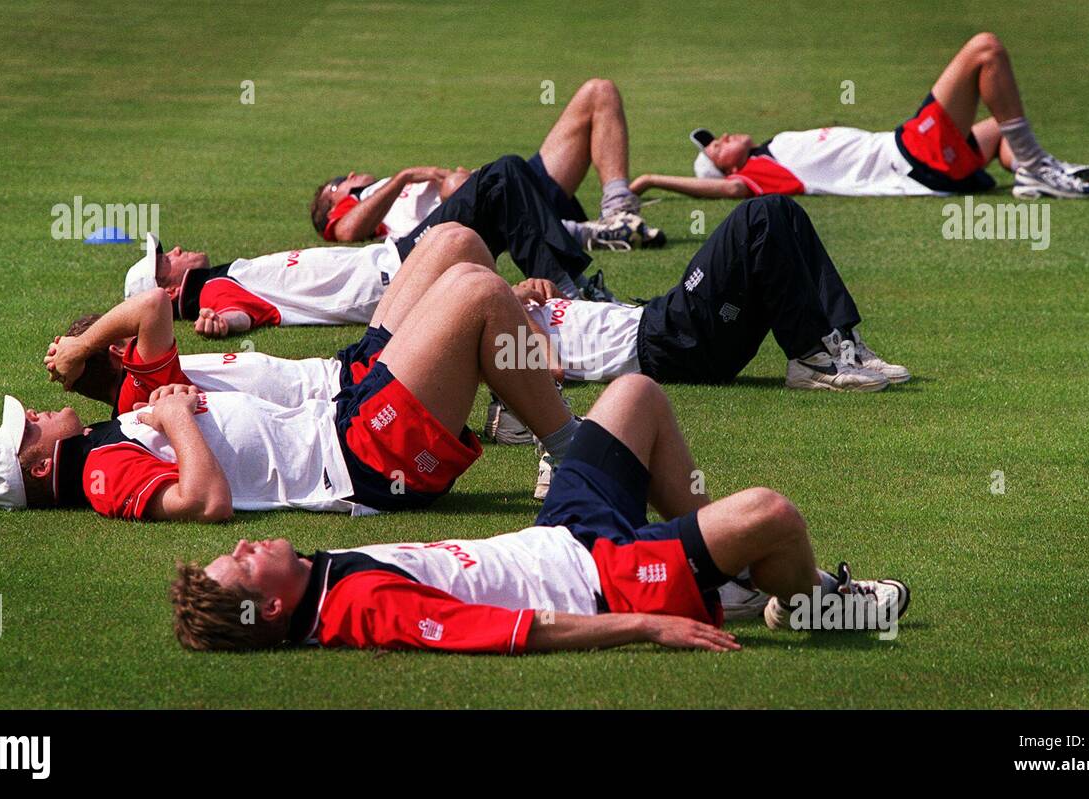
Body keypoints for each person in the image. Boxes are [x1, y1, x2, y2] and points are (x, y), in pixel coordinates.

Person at [169, 374, 910, 653]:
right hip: (605, 580)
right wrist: (648, 623)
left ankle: (745, 578)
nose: (243, 540)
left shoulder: (322, 579)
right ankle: (813, 601)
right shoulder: (361, 607)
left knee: (635, 395)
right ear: (267, 605)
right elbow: (511, 631)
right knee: (772, 511)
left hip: (560, 533)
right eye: (241, 559)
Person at [0, 232, 581, 519]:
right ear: (40, 466)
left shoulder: (113, 433)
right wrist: (177, 415)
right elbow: (205, 503)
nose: (30, 413)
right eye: (25, 431)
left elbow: (152, 307)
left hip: (345, 416)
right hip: (357, 459)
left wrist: (82, 345)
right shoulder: (102, 465)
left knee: (457, 244)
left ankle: (536, 415)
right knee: (474, 290)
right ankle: (573, 456)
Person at [485, 194, 906, 461]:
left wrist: (538, 295)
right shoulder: (506, 342)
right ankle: (811, 361)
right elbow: (551, 369)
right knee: (756, 216)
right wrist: (512, 305)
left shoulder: (513, 309)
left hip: (665, 325)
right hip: (665, 343)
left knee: (783, 212)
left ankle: (840, 342)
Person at [129, 156, 605, 343]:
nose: (176, 249)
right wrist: (219, 325)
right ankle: (570, 293)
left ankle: (570, 288)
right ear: (168, 291)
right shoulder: (212, 292)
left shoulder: (224, 275)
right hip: (395, 272)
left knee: (507, 181)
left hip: (395, 263)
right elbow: (241, 316)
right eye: (165, 258)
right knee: (500, 177)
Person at [52, 222, 491, 412]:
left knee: (455, 244)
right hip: (355, 390)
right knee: (463, 259)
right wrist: (82, 344)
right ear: (115, 350)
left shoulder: (146, 388)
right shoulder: (141, 391)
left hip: (346, 371)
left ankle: (512, 339)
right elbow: (153, 306)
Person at [630, 33, 1089, 201]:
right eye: (717, 147)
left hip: (922, 158)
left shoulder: (768, 152)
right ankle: (1034, 165)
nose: (724, 136)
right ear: (730, 167)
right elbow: (730, 191)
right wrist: (652, 178)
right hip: (910, 156)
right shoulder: (758, 174)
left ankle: (1024, 171)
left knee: (994, 126)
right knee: (985, 50)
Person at [310, 78, 665, 252]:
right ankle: (579, 232)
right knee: (457, 188)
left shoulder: (379, 195)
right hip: (490, 217)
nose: (352, 175)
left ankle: (618, 213)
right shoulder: (355, 204)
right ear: (336, 196)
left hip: (510, 187)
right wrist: (406, 176)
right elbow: (345, 232)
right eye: (341, 181)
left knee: (598, 90)